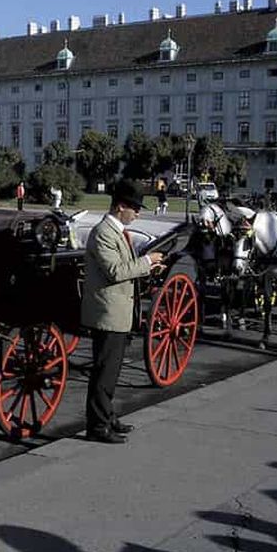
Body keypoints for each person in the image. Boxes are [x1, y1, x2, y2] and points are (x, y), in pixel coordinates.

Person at [81, 179, 165, 444]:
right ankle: (97, 426)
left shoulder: (117, 232)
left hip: (118, 312)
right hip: (107, 313)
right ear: (120, 207)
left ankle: (108, 416)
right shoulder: (104, 232)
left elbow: (125, 265)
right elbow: (116, 271)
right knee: (104, 372)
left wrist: (148, 267)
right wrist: (146, 262)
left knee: (111, 371)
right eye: (135, 208)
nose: (138, 213)